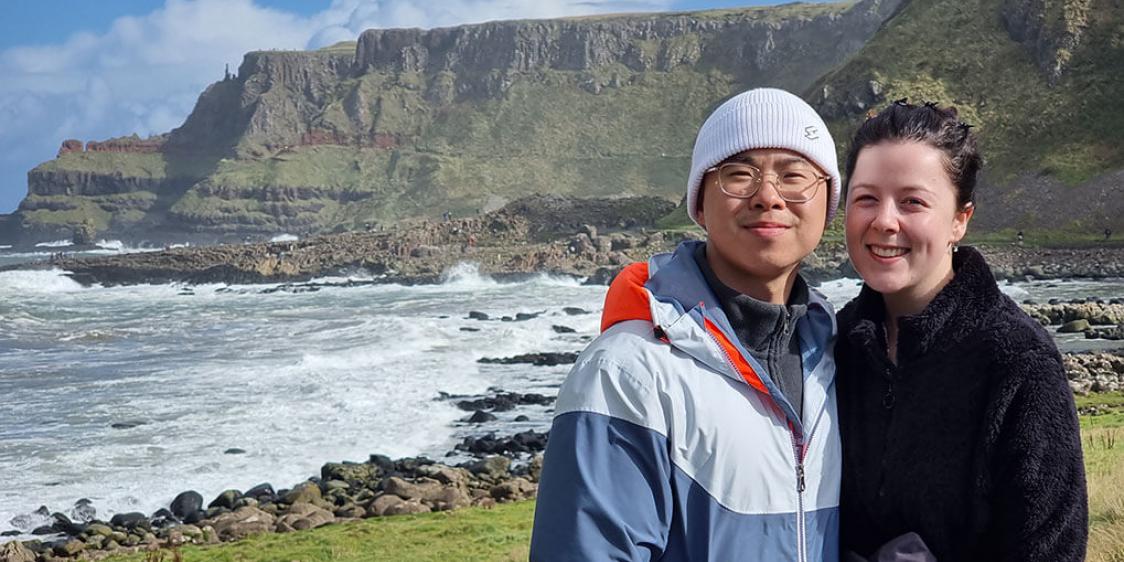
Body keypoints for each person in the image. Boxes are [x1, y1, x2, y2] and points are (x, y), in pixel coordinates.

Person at [530, 88, 843, 561]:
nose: (768, 197)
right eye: (739, 175)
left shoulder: (843, 360)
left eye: (794, 176)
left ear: (827, 205)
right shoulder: (627, 371)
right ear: (699, 205)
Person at [835, 101, 1087, 561]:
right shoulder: (831, 346)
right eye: (866, 197)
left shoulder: (1017, 361)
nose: (884, 220)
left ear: (959, 219)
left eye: (913, 201)